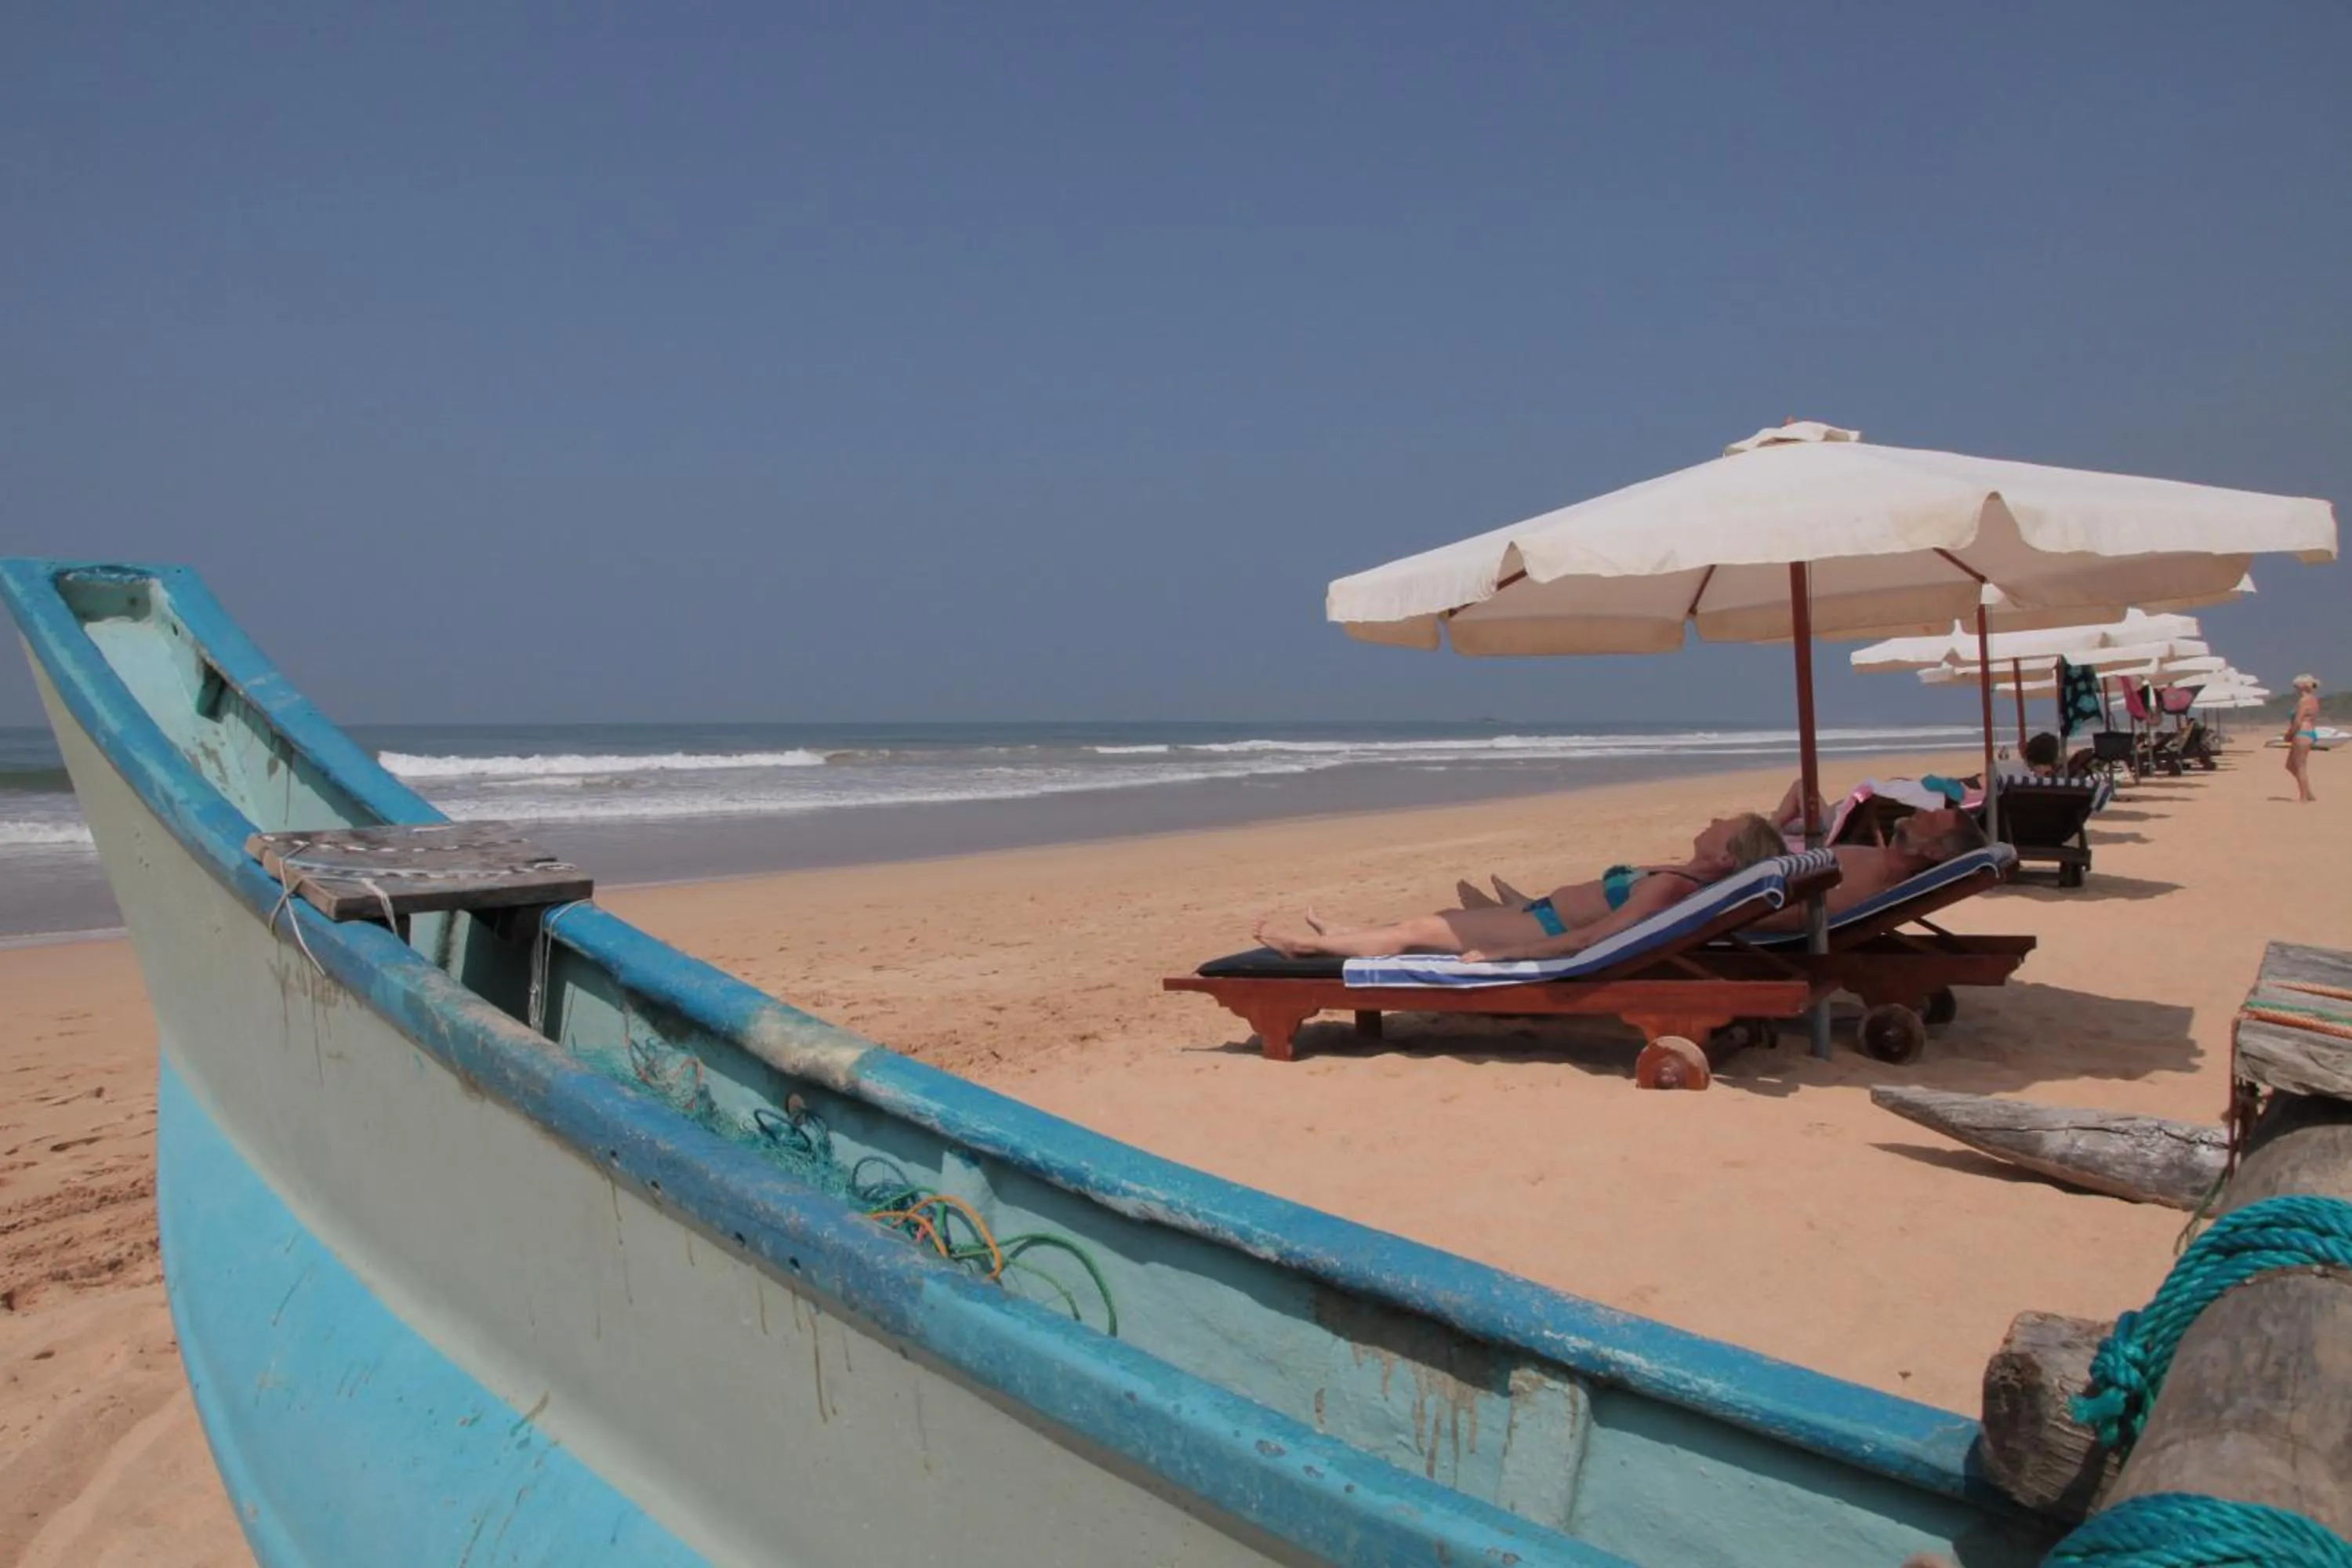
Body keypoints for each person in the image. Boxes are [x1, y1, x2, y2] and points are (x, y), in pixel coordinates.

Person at [1252, 812, 1788, 962]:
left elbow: (1590, 938)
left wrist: (1503, 955)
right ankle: (1347, 932)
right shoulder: (1683, 876)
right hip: (1539, 911)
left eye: (1727, 825)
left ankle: (1308, 946)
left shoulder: (1671, 887)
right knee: (1434, 920)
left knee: (1419, 930)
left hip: (1543, 927)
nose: (1716, 817)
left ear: (1723, 855)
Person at [1751, 808, 1990, 930]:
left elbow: (1802, 916)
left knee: (1748, 828)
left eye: (1931, 819)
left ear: (1934, 853)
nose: (1920, 811)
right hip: (1762, 877)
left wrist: (1721, 919)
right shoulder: (1881, 864)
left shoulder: (1876, 875)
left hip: (1749, 893)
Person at [2285, 673, 2323, 804]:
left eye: (2296, 687)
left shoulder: (2304, 701)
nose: (2295, 690)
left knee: (2300, 766)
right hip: (2309, 733)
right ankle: (2308, 792)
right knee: (2290, 765)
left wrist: (2289, 734)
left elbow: (2298, 721)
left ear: (2301, 687)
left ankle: (2304, 797)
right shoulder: (2314, 700)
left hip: (2301, 733)